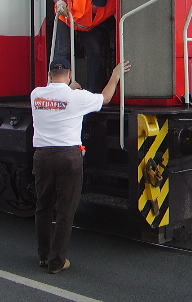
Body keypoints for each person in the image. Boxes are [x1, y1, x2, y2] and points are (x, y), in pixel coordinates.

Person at [31, 56, 130, 274]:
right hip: (68, 157)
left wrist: (69, 89)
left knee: (43, 207)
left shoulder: (35, 95)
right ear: (69, 74)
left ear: (49, 75)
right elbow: (105, 98)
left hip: (43, 157)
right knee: (65, 211)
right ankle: (57, 262)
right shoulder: (77, 97)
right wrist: (115, 75)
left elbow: (57, 97)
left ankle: (43, 256)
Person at [48, 0, 117, 93]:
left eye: (100, 2)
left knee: (95, 53)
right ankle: (58, 90)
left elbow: (118, 17)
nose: (96, 6)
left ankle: (93, 92)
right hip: (66, 17)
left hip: (89, 25)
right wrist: (59, 3)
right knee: (63, 51)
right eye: (94, 1)